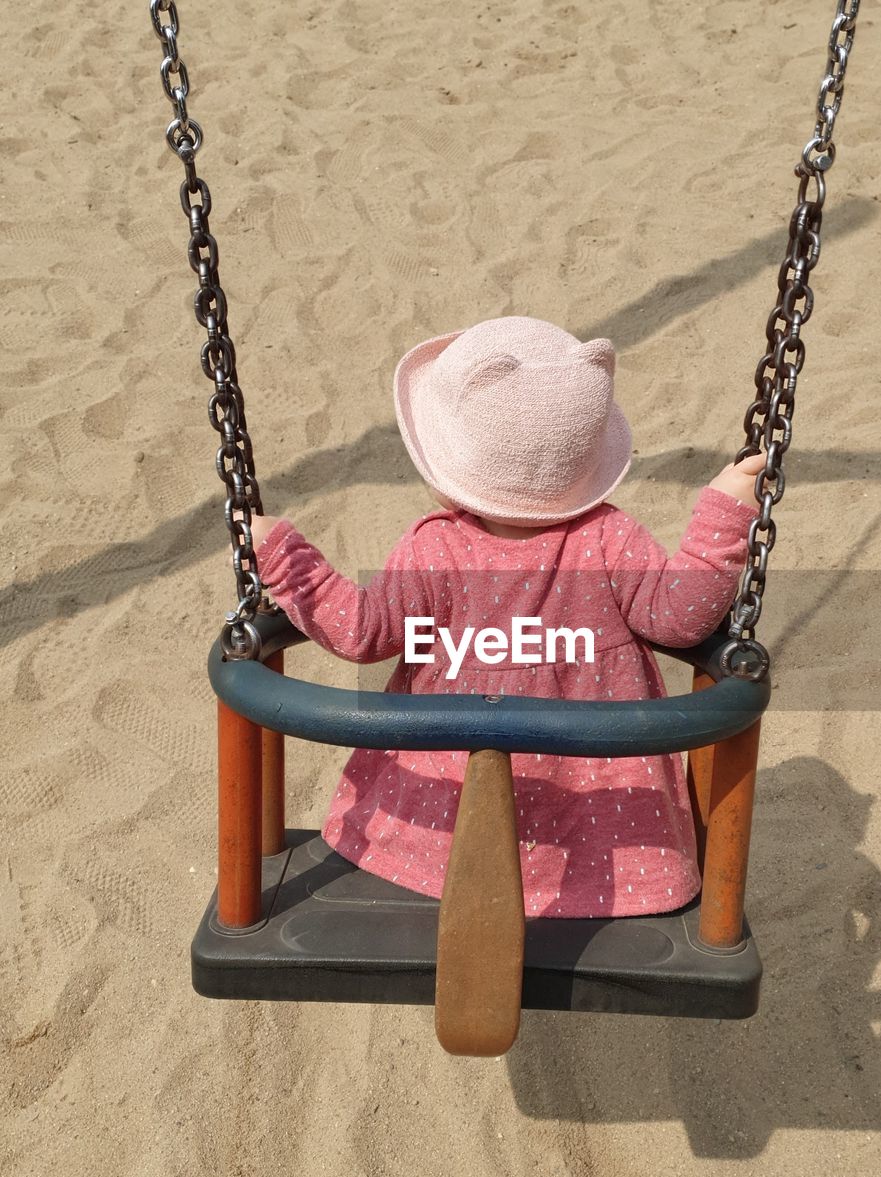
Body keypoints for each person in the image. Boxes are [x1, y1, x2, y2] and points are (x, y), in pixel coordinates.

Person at [248, 316, 762, 919]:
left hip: (442, 821)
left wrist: (283, 557)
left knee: (455, 836)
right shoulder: (610, 539)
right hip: (600, 827)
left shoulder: (435, 549)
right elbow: (682, 618)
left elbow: (361, 632)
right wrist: (724, 519)